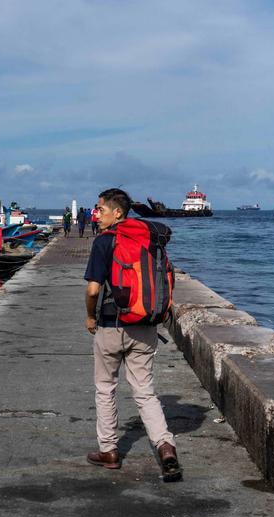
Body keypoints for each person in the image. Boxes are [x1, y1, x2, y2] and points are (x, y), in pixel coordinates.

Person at [83, 188, 182, 481]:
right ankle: (166, 447)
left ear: (118, 213)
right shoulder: (149, 241)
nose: (96, 214)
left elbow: (92, 290)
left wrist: (90, 316)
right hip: (145, 325)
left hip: (111, 325)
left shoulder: (104, 242)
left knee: (105, 387)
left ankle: (109, 451)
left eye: (100, 209)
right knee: (144, 391)